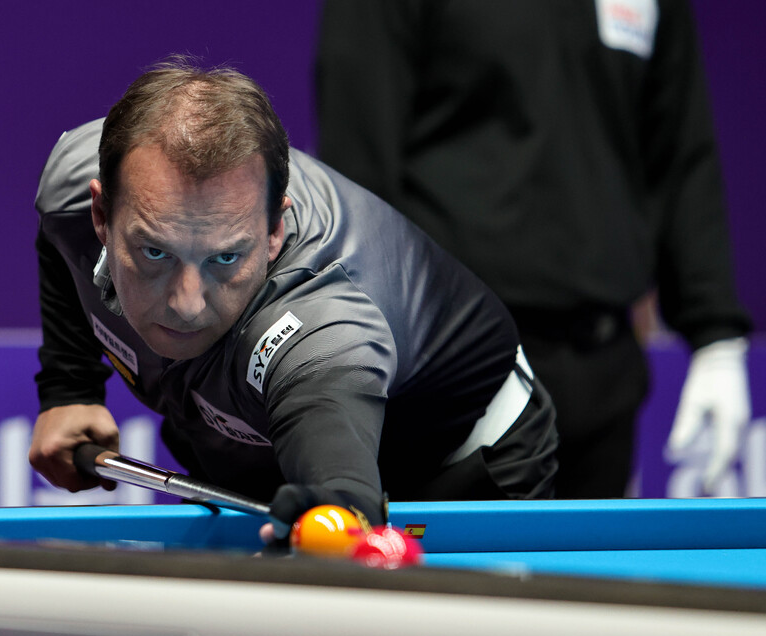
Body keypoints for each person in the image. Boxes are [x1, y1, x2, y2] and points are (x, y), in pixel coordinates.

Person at [28, 60, 558, 536]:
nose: (187, 304)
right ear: (102, 214)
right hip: (260, 456)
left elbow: (338, 476)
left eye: (225, 257)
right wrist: (69, 388)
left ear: (274, 231)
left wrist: (338, 509)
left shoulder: (321, 325)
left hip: (452, 460)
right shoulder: (73, 186)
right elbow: (59, 243)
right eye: (155, 252)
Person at [316, 0, 753, 498]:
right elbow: (358, 163)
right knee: (463, 553)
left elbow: (680, 155)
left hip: (604, 363)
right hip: (459, 360)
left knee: (593, 552)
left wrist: (717, 341)